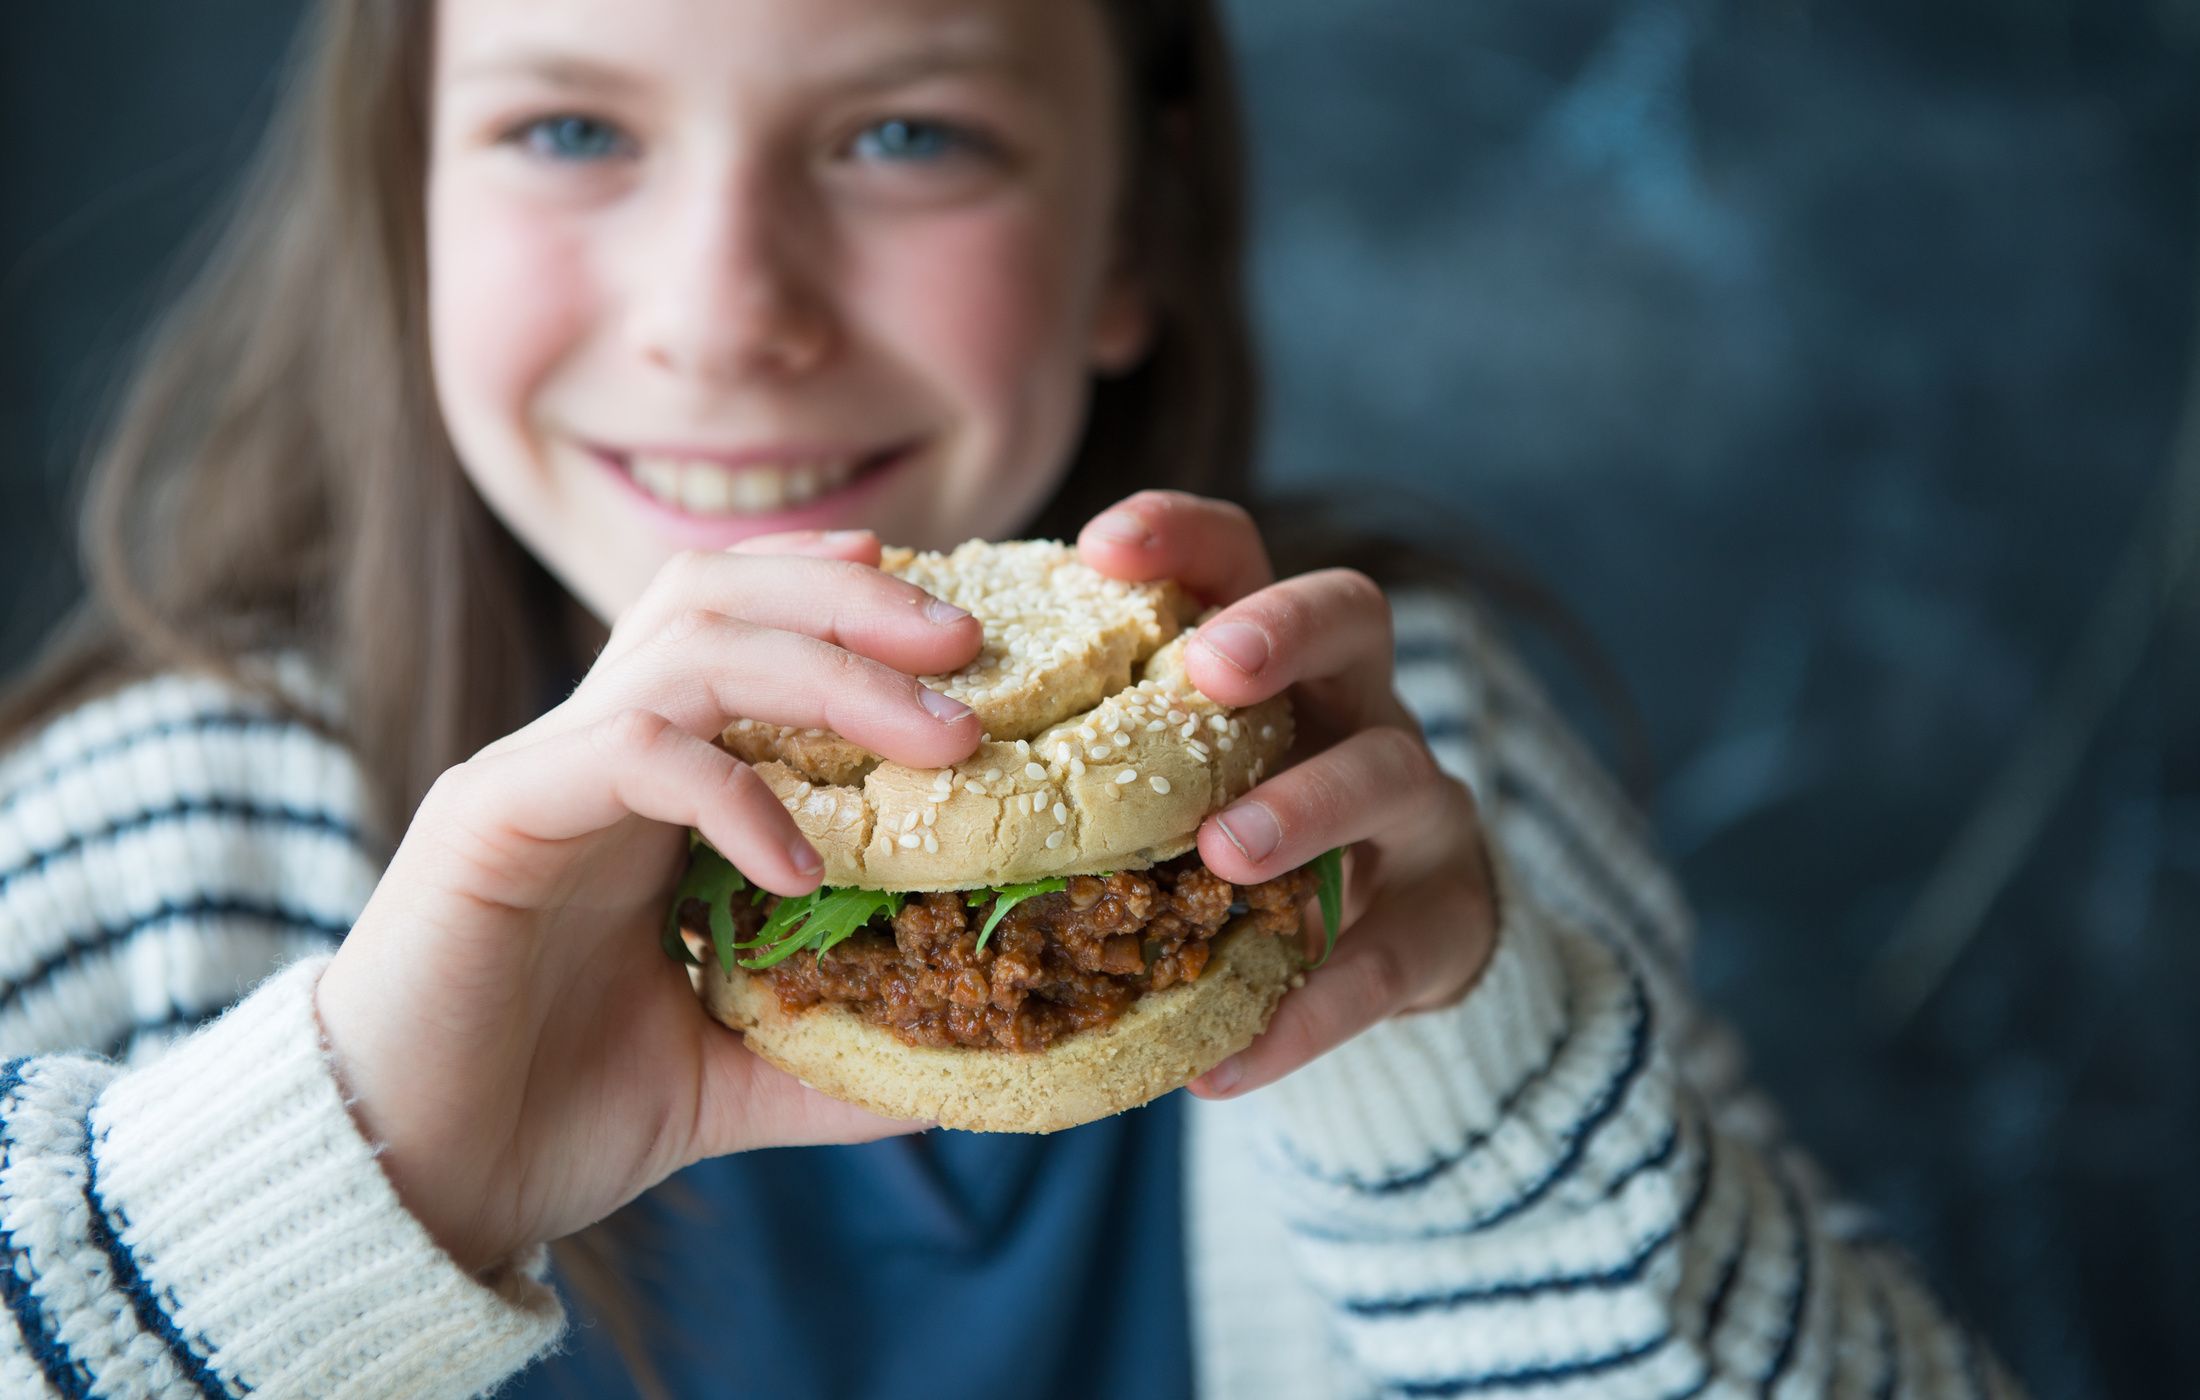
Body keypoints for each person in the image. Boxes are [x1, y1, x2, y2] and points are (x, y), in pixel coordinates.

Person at [0, 0, 2021, 1396]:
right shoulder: (165, 820)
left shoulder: (1379, 768)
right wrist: (357, 1168)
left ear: (1127, 230)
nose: (724, 314)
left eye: (905, 135)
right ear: (406, 207)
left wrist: (1461, 1110)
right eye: (568, 128)